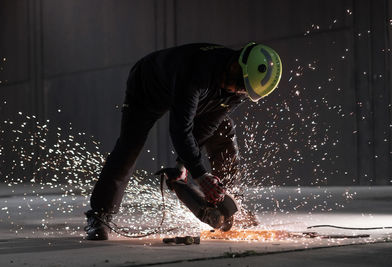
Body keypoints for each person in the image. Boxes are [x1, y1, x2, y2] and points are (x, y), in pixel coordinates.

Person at [84, 42, 282, 240]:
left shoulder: (241, 89)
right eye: (240, 86)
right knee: (130, 144)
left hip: (199, 94)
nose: (240, 93)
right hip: (149, 86)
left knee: (223, 130)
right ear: (235, 66)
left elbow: (208, 124)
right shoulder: (197, 71)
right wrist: (201, 175)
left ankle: (230, 205)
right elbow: (180, 129)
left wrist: (183, 165)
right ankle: (100, 215)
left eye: (245, 91)